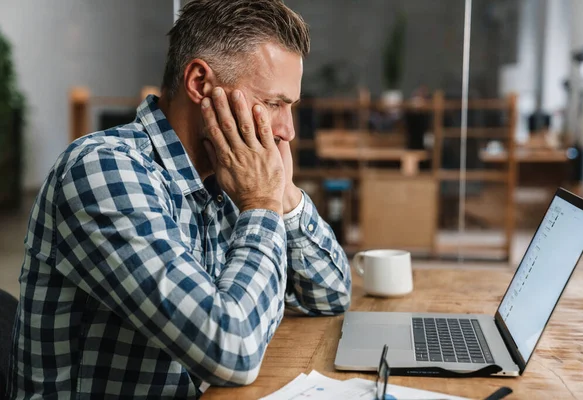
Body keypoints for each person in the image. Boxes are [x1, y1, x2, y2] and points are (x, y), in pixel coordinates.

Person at [8, 1, 351, 398]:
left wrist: (283, 192)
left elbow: (331, 294)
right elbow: (231, 351)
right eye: (274, 104)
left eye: (291, 107)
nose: (288, 130)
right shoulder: (103, 171)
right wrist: (262, 203)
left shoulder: (228, 178)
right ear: (200, 83)